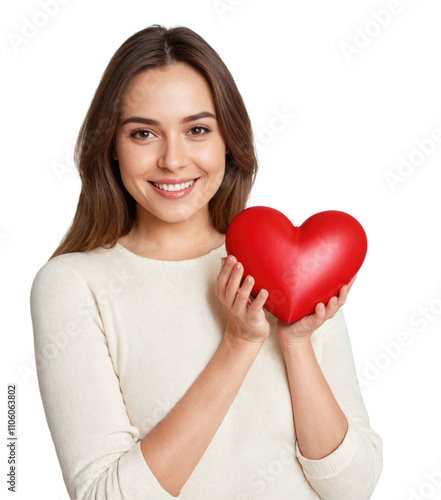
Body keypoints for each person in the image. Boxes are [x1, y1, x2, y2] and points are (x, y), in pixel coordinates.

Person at [30, 24, 382, 499]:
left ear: (227, 141)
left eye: (197, 130)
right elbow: (105, 496)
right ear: (111, 146)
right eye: (143, 133)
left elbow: (353, 487)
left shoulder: (289, 270)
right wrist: (238, 344)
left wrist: (296, 343)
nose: (173, 160)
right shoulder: (73, 285)